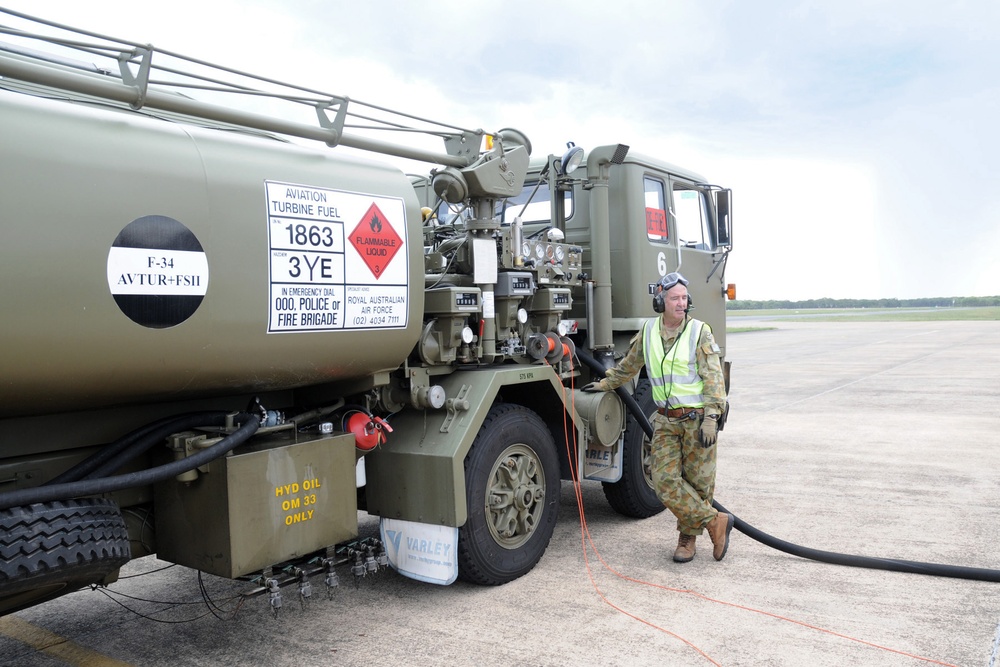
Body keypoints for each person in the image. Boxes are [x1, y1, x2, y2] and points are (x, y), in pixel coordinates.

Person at [583, 272, 733, 563]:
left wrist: (712, 417)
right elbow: (629, 366)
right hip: (665, 419)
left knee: (698, 484)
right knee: (663, 481)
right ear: (660, 301)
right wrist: (605, 383)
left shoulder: (699, 331)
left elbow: (713, 378)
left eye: (684, 298)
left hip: (697, 419)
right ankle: (715, 521)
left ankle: (687, 539)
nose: (681, 303)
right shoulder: (649, 331)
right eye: (675, 298)